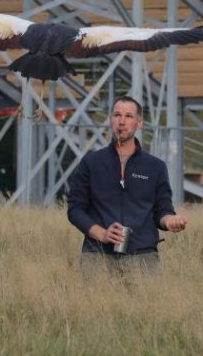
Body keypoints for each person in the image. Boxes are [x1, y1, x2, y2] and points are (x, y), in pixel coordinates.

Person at [67, 96, 187, 275]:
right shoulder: (91, 162)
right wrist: (101, 233)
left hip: (143, 258)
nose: (121, 121)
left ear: (140, 123)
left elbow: (162, 210)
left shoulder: (155, 167)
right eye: (117, 115)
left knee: (146, 304)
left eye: (129, 116)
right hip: (97, 257)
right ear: (110, 120)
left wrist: (169, 220)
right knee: (95, 304)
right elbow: (75, 209)